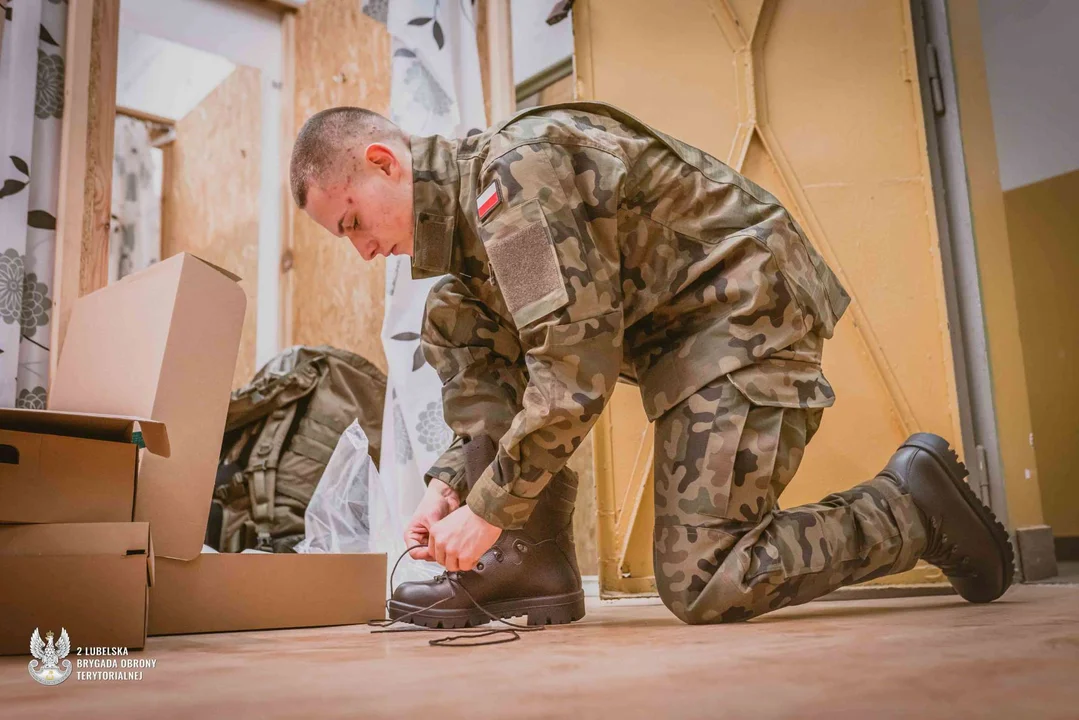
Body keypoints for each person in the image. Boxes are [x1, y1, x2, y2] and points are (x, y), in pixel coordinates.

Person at [289, 102, 1013, 627]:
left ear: (384, 163)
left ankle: (910, 508)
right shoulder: (466, 258)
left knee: (705, 580)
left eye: (352, 220)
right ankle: (531, 566)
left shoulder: (511, 187)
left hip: (742, 312)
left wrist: (487, 513)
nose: (361, 249)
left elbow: (571, 376)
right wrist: (450, 487)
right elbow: (485, 392)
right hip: (684, 337)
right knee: (451, 316)